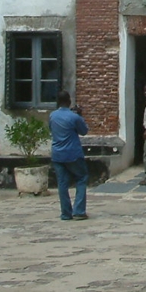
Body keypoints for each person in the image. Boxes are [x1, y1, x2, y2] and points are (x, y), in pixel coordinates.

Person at [49, 90, 89, 220]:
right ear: (69, 101)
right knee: (81, 178)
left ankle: (66, 213)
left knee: (62, 183)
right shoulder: (74, 117)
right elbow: (84, 131)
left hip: (57, 154)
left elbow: (51, 129)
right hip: (73, 153)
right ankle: (79, 211)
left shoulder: (52, 116)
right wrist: (80, 115)